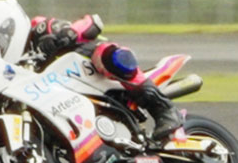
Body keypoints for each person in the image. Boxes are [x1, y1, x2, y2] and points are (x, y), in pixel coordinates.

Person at [28, 12, 183, 141]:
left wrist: (68, 34)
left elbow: (93, 21)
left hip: (92, 65)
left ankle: (165, 110)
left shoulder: (39, 27)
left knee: (109, 56)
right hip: (71, 96)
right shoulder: (19, 64)